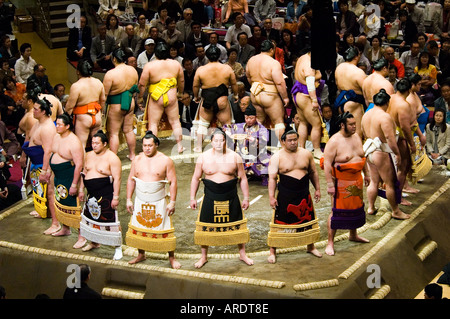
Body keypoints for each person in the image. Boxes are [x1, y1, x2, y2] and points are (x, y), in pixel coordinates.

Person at [190, 128, 253, 268]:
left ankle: (242, 254)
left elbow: (242, 178)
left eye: (222, 140)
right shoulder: (203, 157)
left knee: (238, 224)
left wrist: (246, 198)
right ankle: (203, 256)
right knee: (205, 225)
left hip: (230, 194)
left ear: (225, 141)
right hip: (210, 195)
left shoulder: (235, 157)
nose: (219, 143)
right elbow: (195, 178)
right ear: (211, 142)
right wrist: (192, 197)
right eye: (216, 140)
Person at [125, 131, 180, 268]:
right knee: (140, 227)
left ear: (156, 145)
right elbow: (131, 180)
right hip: (140, 199)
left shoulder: (166, 160)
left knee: (165, 227)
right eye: (144, 145)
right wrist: (128, 199)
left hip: (159, 200)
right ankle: (141, 254)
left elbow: (173, 182)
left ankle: (171, 258)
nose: (147, 148)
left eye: (150, 145)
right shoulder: (136, 160)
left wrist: (172, 202)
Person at [266, 128, 322, 263]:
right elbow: (272, 178)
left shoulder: (306, 154)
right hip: (286, 193)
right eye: (290, 140)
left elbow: (313, 173)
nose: (293, 142)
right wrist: (271, 197)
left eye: (295, 139)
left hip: (303, 191)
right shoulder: (276, 157)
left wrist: (318, 189)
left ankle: (310, 246)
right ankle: (272, 250)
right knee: (280, 222)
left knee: (307, 220)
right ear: (283, 142)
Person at [323, 112, 370, 256]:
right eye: (351, 124)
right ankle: (330, 242)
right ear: (342, 125)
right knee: (336, 211)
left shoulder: (356, 137)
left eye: (355, 123)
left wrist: (367, 173)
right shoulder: (334, 141)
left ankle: (353, 234)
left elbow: (362, 157)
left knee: (356, 208)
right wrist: (330, 184)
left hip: (357, 179)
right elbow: (326, 163)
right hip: (340, 181)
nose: (354, 126)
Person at [362, 89, 409, 220]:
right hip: (381, 152)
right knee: (389, 183)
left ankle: (371, 207)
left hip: (369, 151)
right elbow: (390, 139)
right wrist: (398, 154)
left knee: (374, 181)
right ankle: (396, 211)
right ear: (387, 102)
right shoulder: (384, 117)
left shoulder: (367, 114)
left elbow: (364, 133)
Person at [78, 130, 123, 260]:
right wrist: (81, 189)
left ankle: (118, 247)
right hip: (91, 194)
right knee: (91, 220)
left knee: (111, 222)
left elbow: (117, 179)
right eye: (92, 143)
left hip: (106, 194)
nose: (94, 145)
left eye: (97, 143)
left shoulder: (112, 158)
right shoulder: (88, 155)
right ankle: (94, 242)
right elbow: (83, 173)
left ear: (104, 144)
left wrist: (116, 197)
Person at [137, 41, 185, 154]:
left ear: (156, 53)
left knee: (153, 123)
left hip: (156, 97)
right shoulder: (176, 64)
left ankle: (153, 148)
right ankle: (180, 146)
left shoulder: (150, 65)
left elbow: (142, 84)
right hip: (171, 95)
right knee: (175, 121)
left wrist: (140, 97)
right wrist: (180, 93)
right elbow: (181, 80)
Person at [22, 97, 59, 234]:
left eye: (36, 109)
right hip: (36, 161)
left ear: (43, 111)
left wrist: (45, 170)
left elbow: (48, 151)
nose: (33, 111)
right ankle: (45, 212)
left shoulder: (48, 128)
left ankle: (55, 223)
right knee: (40, 190)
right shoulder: (38, 123)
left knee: (50, 193)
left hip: (45, 164)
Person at [192, 45, 238, 152]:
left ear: (207, 56)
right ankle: (230, 147)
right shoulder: (227, 68)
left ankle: (199, 147)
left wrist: (196, 96)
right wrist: (236, 95)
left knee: (203, 124)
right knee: (227, 125)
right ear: (219, 56)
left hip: (207, 99)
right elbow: (234, 83)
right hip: (222, 99)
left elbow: (195, 86)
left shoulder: (201, 69)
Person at [49, 114, 86, 248]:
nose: (57, 126)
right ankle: (66, 229)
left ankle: (82, 236)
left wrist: (75, 184)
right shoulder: (56, 137)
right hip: (58, 176)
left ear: (68, 126)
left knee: (74, 206)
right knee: (60, 202)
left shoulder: (74, 142)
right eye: (56, 124)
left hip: (69, 177)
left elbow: (79, 165)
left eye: (59, 124)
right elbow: (52, 153)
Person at [246, 40, 289, 143]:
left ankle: (251, 148)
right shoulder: (273, 62)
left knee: (258, 121)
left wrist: (255, 86)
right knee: (278, 122)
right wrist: (285, 98)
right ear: (271, 50)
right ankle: (281, 148)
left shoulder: (251, 60)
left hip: (255, 94)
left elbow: (248, 76)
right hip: (270, 95)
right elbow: (279, 83)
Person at [103, 48, 140, 159]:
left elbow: (104, 95)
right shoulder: (133, 70)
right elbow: (135, 87)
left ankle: (113, 157)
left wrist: (102, 110)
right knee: (128, 130)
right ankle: (132, 154)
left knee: (113, 133)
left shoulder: (110, 74)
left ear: (114, 59)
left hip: (116, 105)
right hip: (130, 102)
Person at [223, 104, 271, 186]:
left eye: (251, 118)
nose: (248, 120)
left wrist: (254, 140)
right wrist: (229, 133)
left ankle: (263, 176)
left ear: (256, 117)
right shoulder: (239, 126)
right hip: (242, 155)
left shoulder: (261, 128)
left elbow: (265, 140)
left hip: (257, 155)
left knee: (269, 161)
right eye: (246, 118)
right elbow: (225, 127)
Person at [387, 78, 417, 206]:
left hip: (389, 134)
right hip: (399, 137)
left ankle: (396, 195)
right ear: (409, 89)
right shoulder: (403, 105)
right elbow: (405, 127)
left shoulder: (391, 97)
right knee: (403, 167)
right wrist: (412, 144)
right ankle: (398, 198)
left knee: (395, 168)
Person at [290, 47, 324, 158]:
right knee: (316, 124)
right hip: (306, 94)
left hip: (297, 93)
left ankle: (301, 148)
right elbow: (310, 84)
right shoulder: (310, 64)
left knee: (303, 122)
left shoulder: (302, 57)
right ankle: (317, 150)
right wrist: (314, 100)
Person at [65, 60, 106, 151]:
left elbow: (70, 106)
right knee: (97, 145)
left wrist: (66, 119)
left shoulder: (76, 86)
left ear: (78, 71)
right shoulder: (98, 82)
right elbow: (103, 100)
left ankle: (82, 165)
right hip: (97, 115)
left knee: (81, 146)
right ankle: (98, 164)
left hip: (83, 118)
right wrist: (101, 112)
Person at [334, 47, 367, 138]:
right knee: (357, 133)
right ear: (357, 57)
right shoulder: (358, 72)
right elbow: (366, 91)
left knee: (344, 133)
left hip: (341, 102)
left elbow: (338, 86)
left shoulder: (339, 68)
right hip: (354, 104)